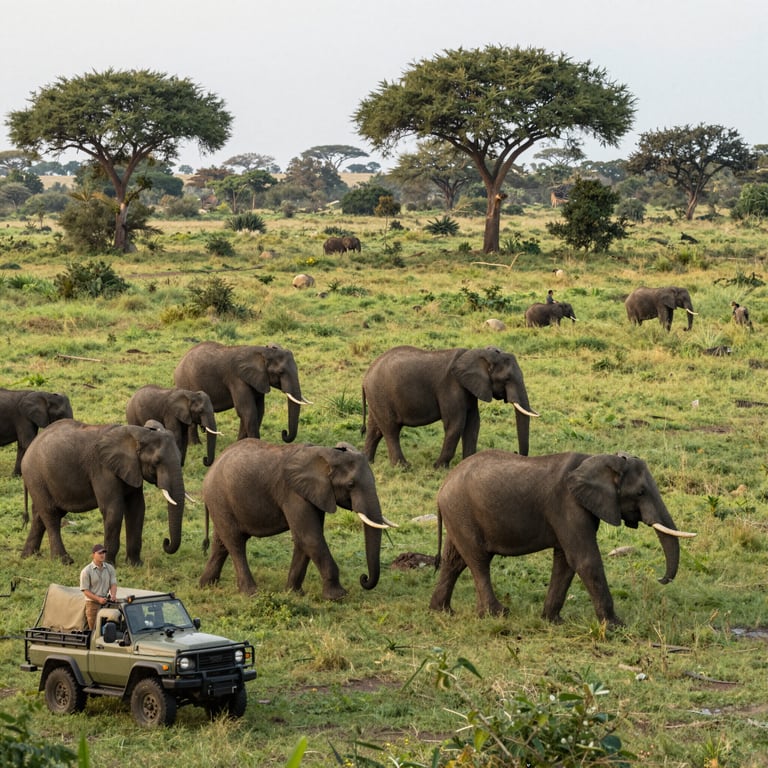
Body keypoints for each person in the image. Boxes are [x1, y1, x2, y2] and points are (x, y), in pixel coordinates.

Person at [80, 543, 117, 630]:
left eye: (104, 553)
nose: (102, 555)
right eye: (100, 553)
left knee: (109, 628)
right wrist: (98, 599)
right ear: (93, 555)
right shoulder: (86, 571)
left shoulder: (110, 568)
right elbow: (85, 590)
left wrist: (113, 595)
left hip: (106, 602)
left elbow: (113, 584)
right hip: (92, 604)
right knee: (95, 630)